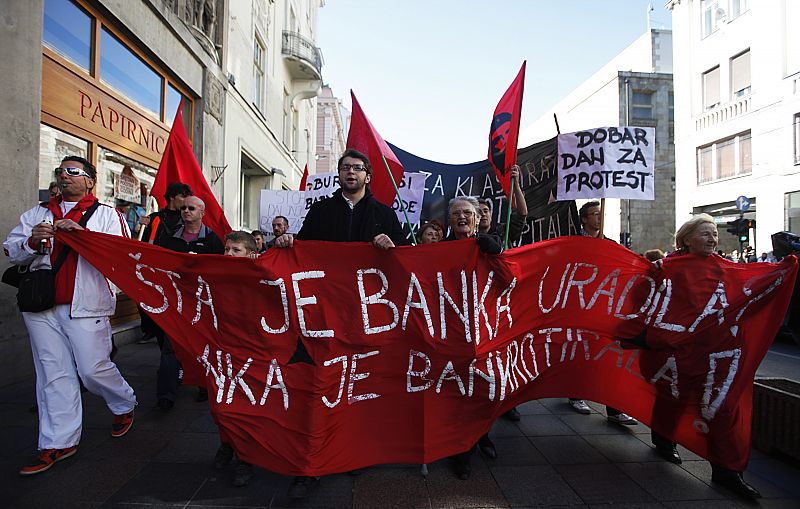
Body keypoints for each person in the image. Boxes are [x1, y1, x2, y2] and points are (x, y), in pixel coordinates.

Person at [274, 148, 406, 498]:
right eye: (345, 167)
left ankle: (353, 451)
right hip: (325, 315)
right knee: (322, 385)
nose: (350, 173)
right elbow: (302, 249)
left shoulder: (384, 214)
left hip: (366, 317)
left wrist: (392, 245)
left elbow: (407, 258)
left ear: (368, 176)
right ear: (339, 174)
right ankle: (312, 463)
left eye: (357, 168)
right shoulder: (322, 210)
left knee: (359, 385)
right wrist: (288, 241)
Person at [5, 156, 137, 475]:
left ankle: (124, 403)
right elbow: (11, 250)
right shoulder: (37, 213)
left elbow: (123, 255)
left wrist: (82, 235)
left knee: (92, 369)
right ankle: (58, 442)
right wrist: (32, 241)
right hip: (41, 304)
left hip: (86, 304)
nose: (64, 176)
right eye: (61, 171)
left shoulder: (108, 215)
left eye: (73, 171)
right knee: (53, 373)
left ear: (90, 181)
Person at [645, 214, 761, 500]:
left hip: (717, 353)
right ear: (687, 239)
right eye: (706, 233)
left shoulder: (726, 268)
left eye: (715, 234)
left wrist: (784, 269)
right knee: (674, 399)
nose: (713, 238)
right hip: (680, 353)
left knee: (721, 409)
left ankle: (727, 470)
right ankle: (664, 438)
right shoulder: (669, 267)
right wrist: (653, 273)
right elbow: (645, 296)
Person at [443, 196, 503, 480]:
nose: (462, 217)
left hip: (483, 330)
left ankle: (483, 436)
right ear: (449, 220)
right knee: (457, 393)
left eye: (467, 213)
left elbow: (508, 273)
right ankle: (461, 452)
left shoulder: (489, 245)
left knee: (482, 389)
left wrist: (496, 251)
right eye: (456, 213)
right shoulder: (438, 249)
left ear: (478, 219)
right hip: (450, 330)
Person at [568, 201, 639, 426]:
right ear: (584, 219)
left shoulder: (610, 244)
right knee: (581, 352)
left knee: (609, 356)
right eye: (595, 214)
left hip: (603, 307)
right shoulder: (574, 243)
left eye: (601, 213)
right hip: (580, 307)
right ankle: (576, 395)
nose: (599, 217)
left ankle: (615, 409)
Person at [157, 196, 224, 409]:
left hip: (202, 302)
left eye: (191, 208)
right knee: (170, 346)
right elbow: (157, 261)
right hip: (175, 300)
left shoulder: (213, 240)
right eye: (184, 207)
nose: (186, 211)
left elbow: (221, 270)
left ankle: (204, 386)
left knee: (203, 346)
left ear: (202, 212)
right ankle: (166, 395)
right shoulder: (169, 237)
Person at [214, 231, 258, 487]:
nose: (229, 254)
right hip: (223, 351)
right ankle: (228, 443)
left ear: (251, 255)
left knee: (247, 407)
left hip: (253, 355)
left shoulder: (263, 279)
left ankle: (245, 458)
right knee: (222, 405)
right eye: (226, 249)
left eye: (235, 250)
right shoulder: (216, 276)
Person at [477, 165, 528, 244]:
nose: (483, 214)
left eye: (486, 211)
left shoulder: (503, 232)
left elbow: (522, 214)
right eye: (479, 212)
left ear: (490, 214)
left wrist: (516, 185)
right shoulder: (469, 238)